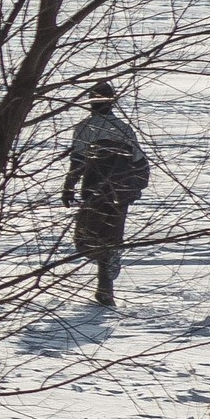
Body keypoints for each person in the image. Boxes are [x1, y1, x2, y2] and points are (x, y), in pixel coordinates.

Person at [61, 80, 150, 307]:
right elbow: (139, 161)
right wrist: (135, 188)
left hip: (94, 192)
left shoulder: (84, 128)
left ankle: (106, 282)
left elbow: (78, 161)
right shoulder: (124, 129)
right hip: (120, 194)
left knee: (85, 239)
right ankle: (106, 287)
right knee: (109, 239)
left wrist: (69, 186)